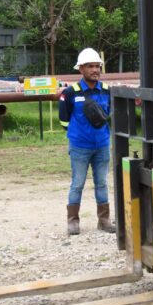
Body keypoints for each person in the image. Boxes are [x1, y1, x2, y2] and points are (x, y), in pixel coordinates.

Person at [59, 47, 115, 235]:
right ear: (81, 69)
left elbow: (112, 115)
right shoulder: (70, 93)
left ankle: (104, 220)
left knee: (102, 183)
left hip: (102, 146)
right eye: (90, 66)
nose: (95, 70)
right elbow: (64, 120)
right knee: (78, 183)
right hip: (80, 147)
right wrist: (78, 134)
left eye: (97, 66)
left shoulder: (107, 91)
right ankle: (73, 221)